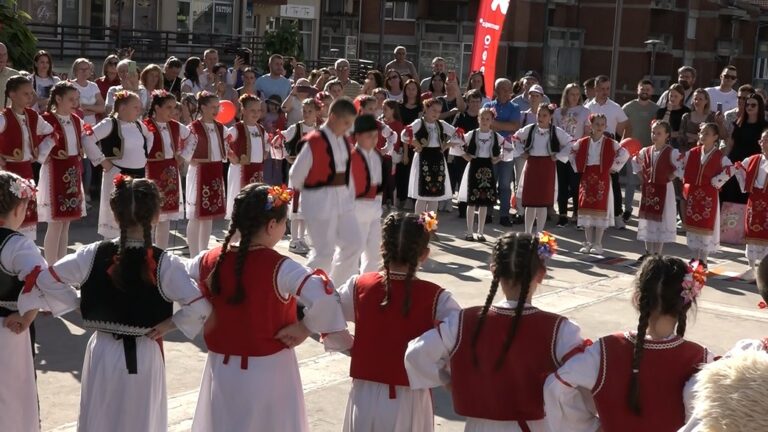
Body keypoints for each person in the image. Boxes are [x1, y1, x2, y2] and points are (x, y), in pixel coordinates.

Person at [20, 175, 211, 432]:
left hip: (102, 350)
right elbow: (200, 306)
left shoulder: (92, 253)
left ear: (115, 215)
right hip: (143, 352)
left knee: (101, 417)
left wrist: (78, 304)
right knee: (139, 419)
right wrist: (170, 324)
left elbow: (47, 278)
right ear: (155, 216)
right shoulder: (166, 263)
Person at [185, 183, 347, 432]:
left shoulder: (210, 259)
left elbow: (178, 278)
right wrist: (305, 327)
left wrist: (201, 309)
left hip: (221, 369)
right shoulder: (282, 267)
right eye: (284, 223)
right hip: (269, 371)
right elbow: (326, 297)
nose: (284, 228)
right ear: (272, 225)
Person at [406, 231, 586, 432]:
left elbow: (415, 354)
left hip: (479, 427)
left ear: (494, 271)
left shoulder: (463, 321)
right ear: (541, 274)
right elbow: (584, 380)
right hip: (533, 426)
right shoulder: (560, 330)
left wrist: (449, 382)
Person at [544, 256, 712, 432]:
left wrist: (589, 427)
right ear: (686, 302)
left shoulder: (605, 351)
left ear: (638, 299)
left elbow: (556, 386)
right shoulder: (701, 360)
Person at [335, 211, 459, 432]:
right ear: (424, 254)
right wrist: (441, 373)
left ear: (383, 248)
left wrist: (349, 344)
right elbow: (461, 336)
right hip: (410, 399)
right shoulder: (437, 298)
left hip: (364, 396)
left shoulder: (359, 285)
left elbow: (327, 313)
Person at [289, 97, 363, 285]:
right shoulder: (314, 141)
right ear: (333, 117)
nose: (349, 128)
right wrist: (314, 196)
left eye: (351, 124)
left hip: (343, 201)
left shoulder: (344, 141)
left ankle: (335, 286)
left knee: (354, 244)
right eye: (346, 123)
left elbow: (348, 174)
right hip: (319, 202)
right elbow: (296, 176)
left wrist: (352, 199)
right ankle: (304, 289)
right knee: (324, 253)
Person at [0, 172, 48, 432]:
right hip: (9, 332)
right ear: (19, 209)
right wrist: (27, 316)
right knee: (12, 398)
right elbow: (43, 281)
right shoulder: (19, 246)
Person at [83, 90, 152, 238]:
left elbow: (150, 135)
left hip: (139, 176)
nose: (139, 110)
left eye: (139, 107)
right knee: (117, 217)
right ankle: (113, 247)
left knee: (136, 215)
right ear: (122, 108)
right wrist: (103, 162)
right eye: (135, 107)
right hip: (118, 175)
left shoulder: (139, 125)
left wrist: (145, 157)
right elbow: (87, 139)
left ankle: (133, 247)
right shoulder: (109, 123)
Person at [0, 75, 55, 239]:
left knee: (27, 214)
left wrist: (40, 154)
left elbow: (52, 132)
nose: (30, 97)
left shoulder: (33, 116)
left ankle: (26, 247)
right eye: (25, 94)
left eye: (31, 93)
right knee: (8, 212)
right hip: (7, 172)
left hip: (27, 171)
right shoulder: (4, 117)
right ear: (12, 94)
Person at [40, 82, 88, 263]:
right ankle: (51, 266)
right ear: (58, 99)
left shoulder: (77, 120)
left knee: (66, 223)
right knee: (55, 223)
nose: (75, 103)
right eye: (71, 99)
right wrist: (49, 152)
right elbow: (38, 145)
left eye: (77, 99)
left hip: (72, 172)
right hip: (54, 172)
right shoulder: (47, 120)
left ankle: (61, 264)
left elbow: (84, 141)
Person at [570, 114, 629, 254]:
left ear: (606, 126)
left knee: (599, 209)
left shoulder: (610, 142)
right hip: (587, 176)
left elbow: (624, 154)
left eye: (602, 124)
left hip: (602, 177)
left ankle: (598, 243)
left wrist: (613, 167)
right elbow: (571, 151)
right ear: (591, 125)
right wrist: (577, 166)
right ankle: (588, 242)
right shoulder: (583, 142)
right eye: (597, 124)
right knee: (586, 209)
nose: (600, 127)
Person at [143, 89, 194, 249]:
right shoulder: (145, 126)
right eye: (168, 108)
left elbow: (193, 138)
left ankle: (161, 252)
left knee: (165, 217)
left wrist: (183, 156)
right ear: (157, 108)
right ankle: (147, 252)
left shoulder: (176, 126)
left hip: (170, 172)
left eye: (174, 108)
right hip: (151, 172)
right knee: (150, 215)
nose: (172, 111)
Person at [512, 103, 572, 234]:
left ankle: (539, 233)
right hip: (532, 165)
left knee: (542, 203)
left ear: (550, 117)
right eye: (539, 114)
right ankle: (527, 233)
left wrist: (558, 155)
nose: (540, 117)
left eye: (544, 115)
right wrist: (521, 152)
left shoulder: (556, 131)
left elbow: (571, 142)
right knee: (530, 202)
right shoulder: (530, 129)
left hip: (547, 167)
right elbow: (515, 137)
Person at [681, 123, 735, 268]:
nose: (702, 136)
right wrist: (684, 180)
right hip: (693, 194)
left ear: (715, 137)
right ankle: (694, 257)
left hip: (709, 196)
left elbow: (731, 169)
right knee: (693, 226)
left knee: (705, 226)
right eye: (701, 133)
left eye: (707, 133)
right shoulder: (693, 152)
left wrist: (717, 181)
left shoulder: (719, 156)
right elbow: (680, 164)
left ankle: (703, 260)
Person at [401, 98, 461, 217]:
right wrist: (416, 144)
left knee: (435, 196)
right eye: (433, 110)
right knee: (422, 196)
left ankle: (430, 224)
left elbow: (459, 135)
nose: (436, 113)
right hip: (423, 158)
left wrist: (447, 145)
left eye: (438, 111)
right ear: (426, 108)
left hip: (438, 159)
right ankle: (418, 223)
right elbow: (405, 134)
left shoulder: (441, 124)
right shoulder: (419, 123)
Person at [275, 97, 320, 255]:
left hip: (313, 174)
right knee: (295, 206)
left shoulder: (319, 130)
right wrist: (287, 156)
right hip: (299, 172)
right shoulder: (296, 128)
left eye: (310, 111)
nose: (306, 114)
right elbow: (279, 140)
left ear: (316, 112)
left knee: (307, 207)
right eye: (304, 111)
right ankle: (294, 240)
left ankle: (302, 238)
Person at [185, 91, 227, 257]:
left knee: (208, 215)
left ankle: (203, 253)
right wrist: (190, 159)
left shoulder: (221, 128)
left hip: (215, 171)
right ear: (202, 107)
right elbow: (185, 148)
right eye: (212, 107)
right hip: (199, 172)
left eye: (218, 107)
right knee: (196, 215)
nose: (216, 110)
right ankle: (193, 254)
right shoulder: (193, 127)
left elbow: (226, 147)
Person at [585, 75, 630, 229]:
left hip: (609, 150)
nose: (605, 92)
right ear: (595, 89)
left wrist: (621, 145)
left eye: (607, 89)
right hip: (592, 150)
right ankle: (590, 215)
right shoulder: (587, 107)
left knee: (614, 183)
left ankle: (617, 216)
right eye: (602, 88)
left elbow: (626, 126)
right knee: (591, 182)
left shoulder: (615, 107)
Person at [631, 120, 680, 259]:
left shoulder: (671, 152)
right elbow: (635, 162)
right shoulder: (645, 151)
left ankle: (657, 253)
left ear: (667, 135)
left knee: (661, 220)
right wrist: (642, 177)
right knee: (648, 219)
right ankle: (648, 252)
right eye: (653, 132)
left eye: (659, 133)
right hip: (649, 189)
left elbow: (682, 165)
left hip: (664, 189)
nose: (655, 135)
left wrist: (671, 177)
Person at [457, 107, 502, 241]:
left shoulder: (495, 135)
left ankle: (481, 232)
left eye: (487, 119)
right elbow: (458, 142)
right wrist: (465, 155)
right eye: (482, 118)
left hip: (488, 168)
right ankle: (469, 231)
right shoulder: (472, 134)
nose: (484, 121)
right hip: (474, 166)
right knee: (471, 202)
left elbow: (509, 146)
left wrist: (499, 158)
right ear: (478, 119)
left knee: (483, 202)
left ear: (492, 121)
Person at [349, 114, 386, 272]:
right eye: (369, 136)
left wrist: (377, 206)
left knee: (374, 253)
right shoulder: (351, 157)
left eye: (376, 136)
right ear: (357, 136)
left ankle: (368, 282)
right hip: (355, 210)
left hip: (374, 210)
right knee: (350, 253)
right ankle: (343, 283)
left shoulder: (377, 156)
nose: (374, 140)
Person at [224, 94, 269, 219]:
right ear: (243, 110)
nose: (256, 113)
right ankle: (236, 227)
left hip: (257, 171)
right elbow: (223, 142)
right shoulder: (236, 129)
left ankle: (251, 228)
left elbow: (267, 143)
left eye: (258, 110)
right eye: (252, 110)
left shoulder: (261, 129)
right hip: (240, 170)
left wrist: (265, 152)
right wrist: (232, 156)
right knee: (240, 201)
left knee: (255, 202)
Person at [622, 79, 660, 223]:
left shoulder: (656, 109)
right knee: (631, 182)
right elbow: (621, 127)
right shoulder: (628, 107)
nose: (645, 91)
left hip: (650, 151)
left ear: (652, 91)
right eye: (642, 89)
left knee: (647, 183)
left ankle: (645, 210)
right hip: (632, 151)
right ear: (637, 90)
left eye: (648, 89)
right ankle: (627, 210)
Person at [486, 78, 522, 226]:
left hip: (507, 148)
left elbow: (514, 126)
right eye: (504, 89)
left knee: (505, 184)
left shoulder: (515, 107)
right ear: (496, 91)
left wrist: (494, 124)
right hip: (490, 147)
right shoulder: (488, 106)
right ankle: (487, 213)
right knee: (490, 182)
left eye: (509, 90)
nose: (508, 93)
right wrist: (503, 125)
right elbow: (485, 124)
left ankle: (504, 215)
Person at [554, 82, 591, 226]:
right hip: (562, 152)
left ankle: (577, 213)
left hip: (577, 152)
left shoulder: (585, 111)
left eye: (577, 94)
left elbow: (587, 132)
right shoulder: (558, 112)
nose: (575, 97)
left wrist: (579, 146)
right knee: (562, 184)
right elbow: (555, 133)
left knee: (576, 184)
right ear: (566, 95)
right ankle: (562, 214)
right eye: (572, 94)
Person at [734, 129, 768, 280]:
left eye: (766, 140)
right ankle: (751, 268)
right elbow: (739, 170)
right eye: (762, 140)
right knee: (752, 234)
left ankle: (764, 271)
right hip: (754, 202)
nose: (763, 143)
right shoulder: (753, 159)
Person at [721, 93, 767, 206]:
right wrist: (724, 161)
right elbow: (730, 144)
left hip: (753, 166)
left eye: (753, 105)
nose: (749, 107)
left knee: (748, 196)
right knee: (730, 194)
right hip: (735, 163)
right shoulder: (739, 123)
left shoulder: (764, 126)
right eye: (747, 104)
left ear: (760, 107)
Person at [680, 88, 721, 153]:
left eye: (700, 99)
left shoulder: (712, 117)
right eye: (695, 99)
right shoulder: (686, 117)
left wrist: (691, 135)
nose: (697, 101)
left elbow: (714, 137)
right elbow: (681, 135)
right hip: (687, 151)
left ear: (706, 101)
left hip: (705, 151)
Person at [70, 58, 105, 126]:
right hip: (75, 124)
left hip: (92, 125)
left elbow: (102, 108)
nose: (85, 71)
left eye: (87, 69)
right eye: (82, 69)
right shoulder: (70, 85)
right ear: (75, 71)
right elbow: (71, 110)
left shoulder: (93, 86)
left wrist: (86, 107)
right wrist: (94, 110)